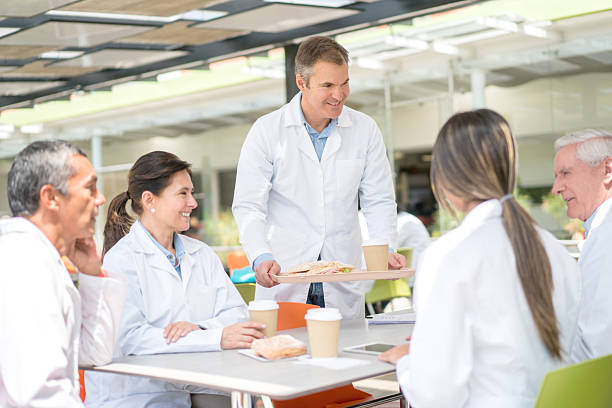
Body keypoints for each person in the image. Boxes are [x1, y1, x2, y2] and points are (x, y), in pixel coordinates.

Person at [379, 110, 581, 407]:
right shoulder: (554, 249)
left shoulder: (448, 255)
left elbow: (436, 395)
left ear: (446, 177)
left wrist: (408, 364)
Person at [232, 36, 405, 319]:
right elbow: (249, 205)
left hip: (342, 276)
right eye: (327, 85)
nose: (339, 94)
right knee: (288, 346)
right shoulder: (267, 131)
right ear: (301, 83)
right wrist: (260, 255)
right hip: (285, 274)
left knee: (348, 345)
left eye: (344, 83)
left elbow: (379, 200)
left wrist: (385, 248)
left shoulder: (364, 129)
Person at [84, 151, 264, 407]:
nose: (193, 203)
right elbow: (133, 339)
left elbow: (238, 315)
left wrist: (199, 328)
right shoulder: (121, 260)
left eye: (192, 193)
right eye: (183, 193)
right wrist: (216, 337)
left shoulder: (201, 254)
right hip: (141, 393)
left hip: (199, 382)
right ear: (150, 200)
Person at [0, 140, 126, 407]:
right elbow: (40, 395)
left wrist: (92, 273)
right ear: (51, 198)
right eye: (90, 188)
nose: (101, 199)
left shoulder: (41, 258)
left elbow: (94, 354)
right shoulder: (24, 262)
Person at [552, 128, 612, 362]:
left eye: (566, 173)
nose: (556, 188)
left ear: (607, 170)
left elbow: (597, 349)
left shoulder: (606, 235)